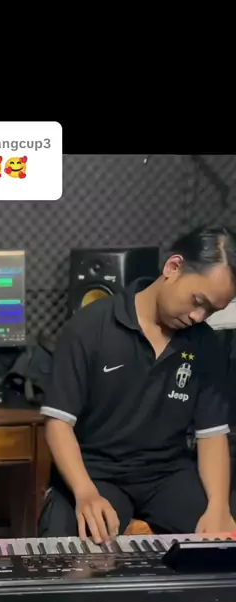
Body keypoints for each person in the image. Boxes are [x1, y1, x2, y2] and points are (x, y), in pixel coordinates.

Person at [39, 225, 236, 542]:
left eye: (211, 310)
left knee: (222, 545)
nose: (199, 316)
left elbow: (212, 434)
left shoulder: (206, 343)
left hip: (167, 473)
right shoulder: (89, 326)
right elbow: (58, 423)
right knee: (70, 545)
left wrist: (218, 507)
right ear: (173, 267)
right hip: (97, 471)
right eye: (197, 300)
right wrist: (85, 492)